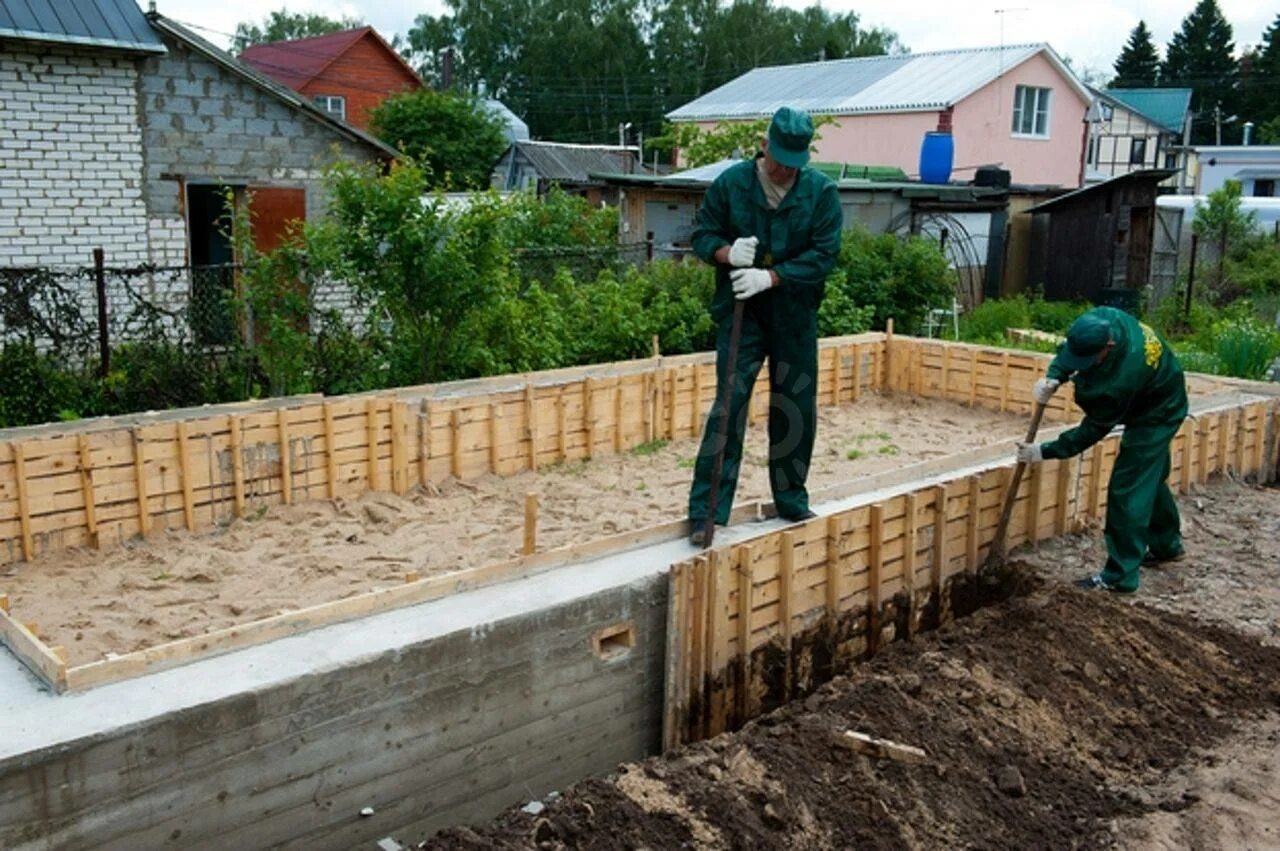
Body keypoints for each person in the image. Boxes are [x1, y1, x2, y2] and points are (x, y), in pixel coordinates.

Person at [686, 106, 844, 546]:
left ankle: (791, 499)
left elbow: (823, 256)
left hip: (794, 316)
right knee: (729, 407)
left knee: (794, 406)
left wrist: (771, 277)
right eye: (778, 162)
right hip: (744, 316)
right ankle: (705, 513)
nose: (784, 171)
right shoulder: (731, 185)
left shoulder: (821, 194)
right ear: (763, 147)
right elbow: (702, 235)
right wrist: (726, 253)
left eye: (794, 165)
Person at [1017, 306, 1188, 593]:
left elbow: (1091, 430)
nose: (1081, 364)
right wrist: (1054, 375)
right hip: (1154, 388)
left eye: (1088, 360)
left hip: (1157, 412)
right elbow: (1071, 350)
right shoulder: (1103, 319)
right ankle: (1166, 544)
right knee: (1150, 477)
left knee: (1128, 488)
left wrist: (1043, 451)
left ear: (1108, 347)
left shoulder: (1121, 378)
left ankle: (1120, 577)